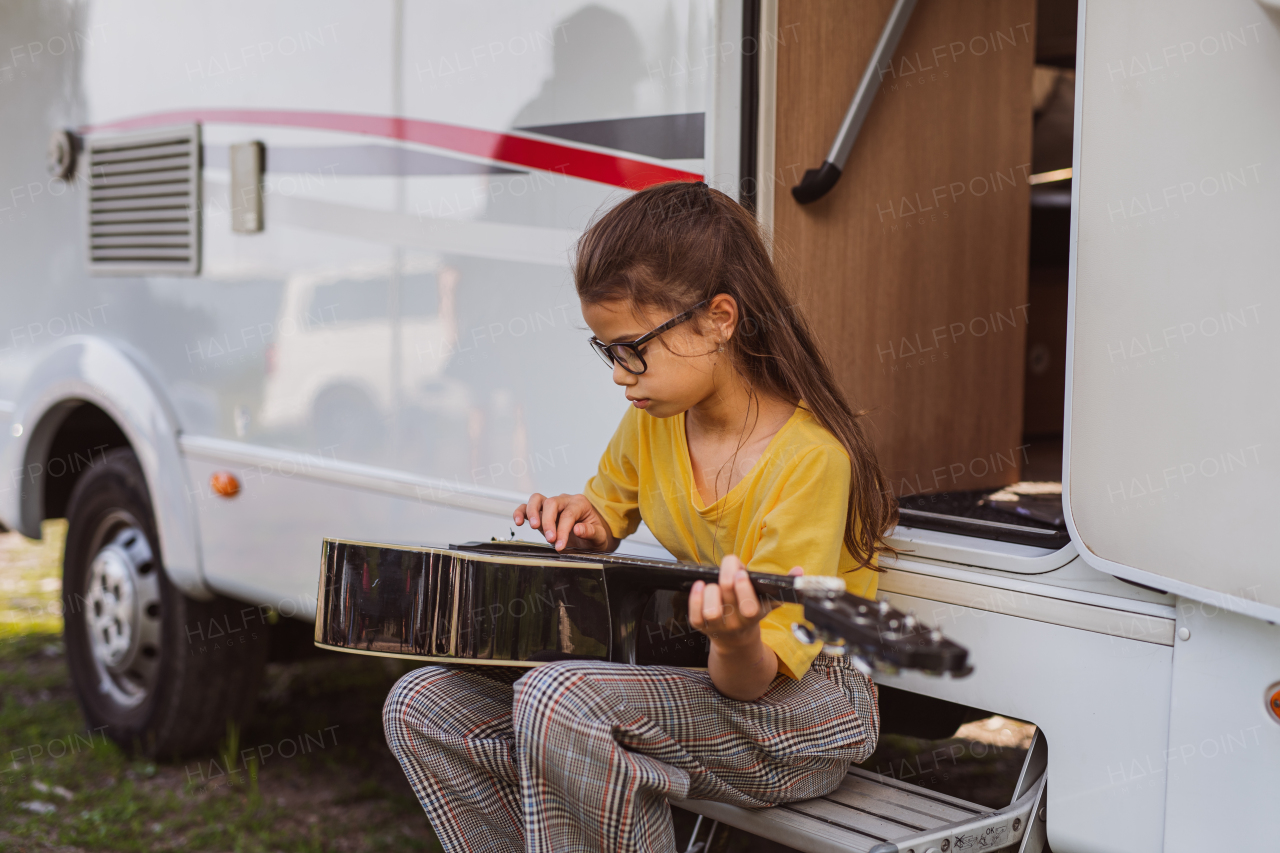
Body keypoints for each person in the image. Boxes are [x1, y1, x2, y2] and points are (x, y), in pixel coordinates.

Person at [383, 180, 898, 852]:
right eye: (608, 351)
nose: (620, 375)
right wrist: (582, 522)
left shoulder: (810, 460)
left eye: (633, 348)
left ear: (719, 318)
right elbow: (606, 510)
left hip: (809, 704)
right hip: (699, 674)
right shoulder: (655, 422)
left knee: (561, 697)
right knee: (420, 704)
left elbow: (751, 676)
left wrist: (737, 636)